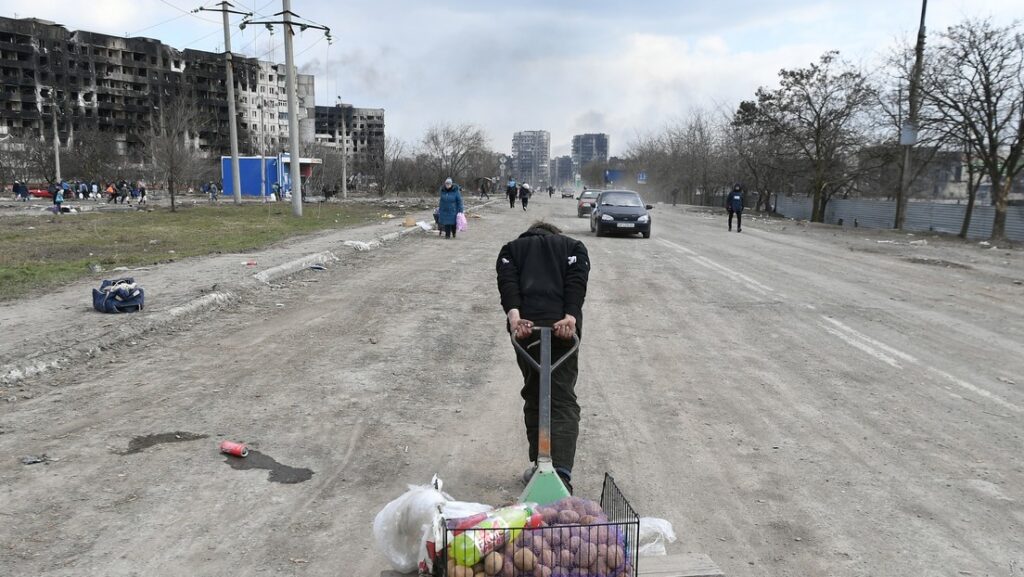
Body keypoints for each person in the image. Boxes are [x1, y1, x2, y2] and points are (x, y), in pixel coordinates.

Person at [496, 221, 590, 494]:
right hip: (563, 331)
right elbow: (577, 279)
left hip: (527, 330)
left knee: (536, 391)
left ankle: (541, 466)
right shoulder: (572, 246)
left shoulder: (512, 249)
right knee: (560, 395)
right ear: (554, 233)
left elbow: (507, 282)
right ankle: (559, 473)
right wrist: (570, 315)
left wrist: (515, 316)